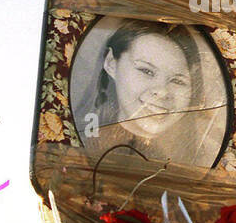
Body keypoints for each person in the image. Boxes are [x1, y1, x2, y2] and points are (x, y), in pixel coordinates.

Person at [74, 20, 226, 169]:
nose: (162, 92)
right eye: (146, 71)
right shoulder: (79, 147)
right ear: (111, 63)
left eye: (178, 81)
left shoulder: (201, 159)